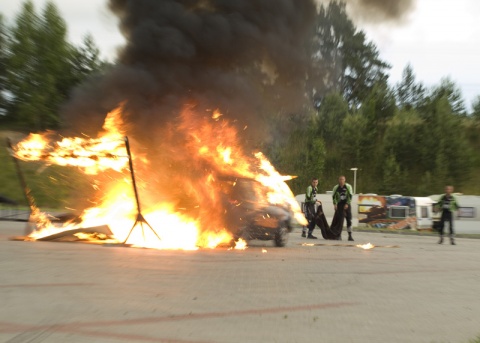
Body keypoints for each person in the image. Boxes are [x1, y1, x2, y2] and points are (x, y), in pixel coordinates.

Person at [332, 175, 354, 241]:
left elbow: (350, 196)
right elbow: (334, 196)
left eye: (343, 179)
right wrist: (335, 204)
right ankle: (339, 235)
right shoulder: (336, 187)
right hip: (340, 205)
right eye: (340, 179)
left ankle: (350, 235)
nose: (341, 181)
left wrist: (347, 203)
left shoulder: (348, 186)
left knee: (349, 219)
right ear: (339, 180)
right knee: (340, 220)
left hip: (347, 204)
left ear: (345, 180)